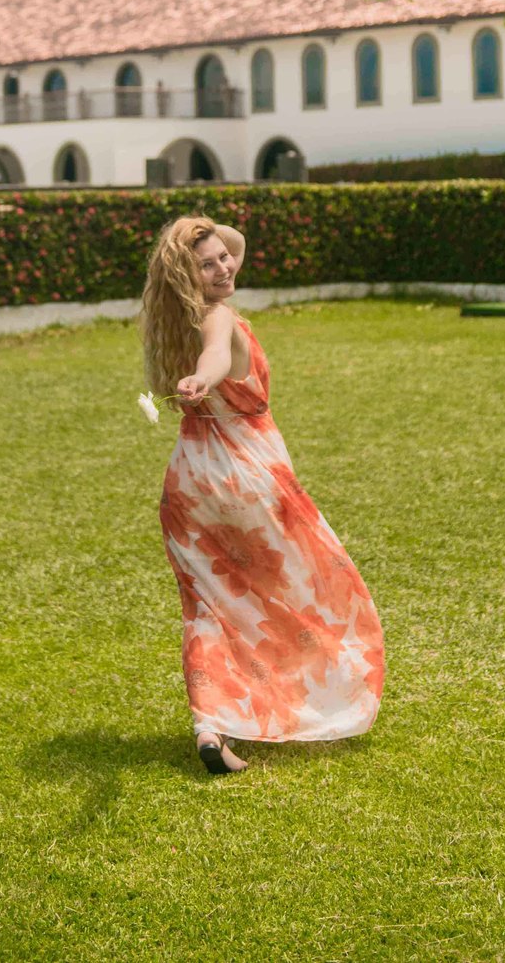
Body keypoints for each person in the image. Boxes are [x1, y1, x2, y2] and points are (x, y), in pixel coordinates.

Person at [141, 215, 385, 776]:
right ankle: (301, 701)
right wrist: (205, 377)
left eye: (223, 257)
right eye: (208, 263)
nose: (226, 264)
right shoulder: (218, 317)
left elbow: (234, 243)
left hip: (190, 480)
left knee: (208, 605)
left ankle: (212, 726)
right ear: (189, 276)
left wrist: (191, 239)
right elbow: (218, 356)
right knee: (303, 592)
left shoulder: (176, 321)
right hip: (249, 475)